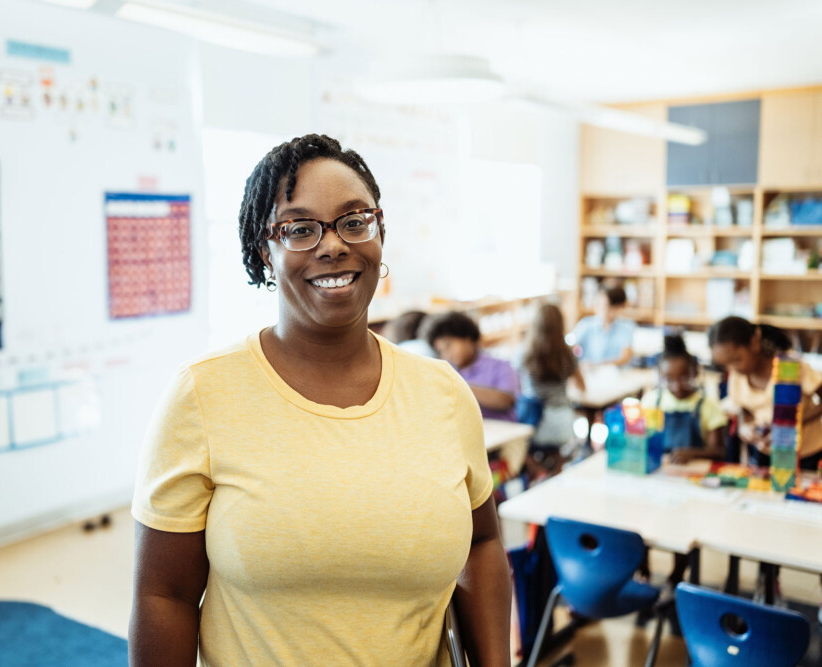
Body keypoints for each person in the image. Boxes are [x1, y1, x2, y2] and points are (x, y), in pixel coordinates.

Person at [130, 134, 511, 667]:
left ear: (380, 233)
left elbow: (483, 544)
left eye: (354, 220)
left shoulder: (444, 393)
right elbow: (163, 597)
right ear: (266, 250)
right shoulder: (203, 395)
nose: (333, 245)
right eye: (301, 229)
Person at [708, 316, 822, 469]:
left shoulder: (790, 366)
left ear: (754, 342)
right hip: (767, 453)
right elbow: (743, 409)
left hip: (807, 454)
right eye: (725, 365)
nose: (732, 369)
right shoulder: (737, 376)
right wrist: (745, 426)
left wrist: (792, 422)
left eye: (736, 360)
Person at [641, 334, 728, 464]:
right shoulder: (651, 401)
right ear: (659, 375)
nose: (677, 387)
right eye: (669, 380)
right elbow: (641, 438)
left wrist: (693, 454)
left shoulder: (708, 405)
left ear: (695, 373)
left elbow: (719, 452)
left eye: (684, 378)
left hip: (695, 472)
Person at [425, 311, 521, 422]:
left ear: (467, 338)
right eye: (440, 350)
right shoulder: (446, 371)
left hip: (503, 432)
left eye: (449, 345)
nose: (447, 354)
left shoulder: (500, 366)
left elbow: (505, 400)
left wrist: (459, 386)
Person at [515, 303, 585, 448]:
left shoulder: (523, 355)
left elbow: (516, 388)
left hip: (534, 423)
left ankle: (536, 468)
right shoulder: (567, 355)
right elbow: (582, 387)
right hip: (563, 424)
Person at [569, 285, 636, 367]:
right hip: (588, 374)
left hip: (616, 375)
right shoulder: (585, 324)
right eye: (598, 303)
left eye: (604, 305)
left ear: (617, 307)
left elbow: (625, 358)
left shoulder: (627, 327)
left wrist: (598, 365)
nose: (598, 307)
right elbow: (572, 345)